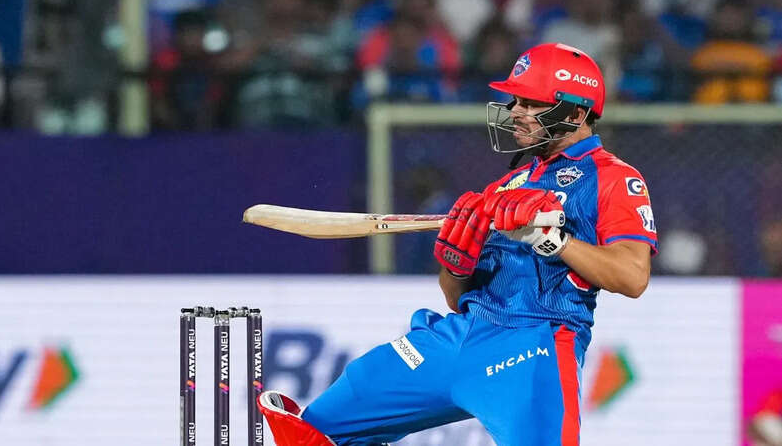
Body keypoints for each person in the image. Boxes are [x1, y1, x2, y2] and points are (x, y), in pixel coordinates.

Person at [258, 43, 658, 445]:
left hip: (535, 344)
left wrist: (551, 239)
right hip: (458, 336)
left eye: (530, 103)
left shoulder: (614, 179)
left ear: (574, 114)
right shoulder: (507, 185)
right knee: (318, 429)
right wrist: (455, 263)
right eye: (515, 101)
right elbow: (455, 297)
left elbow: (632, 276)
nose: (514, 112)